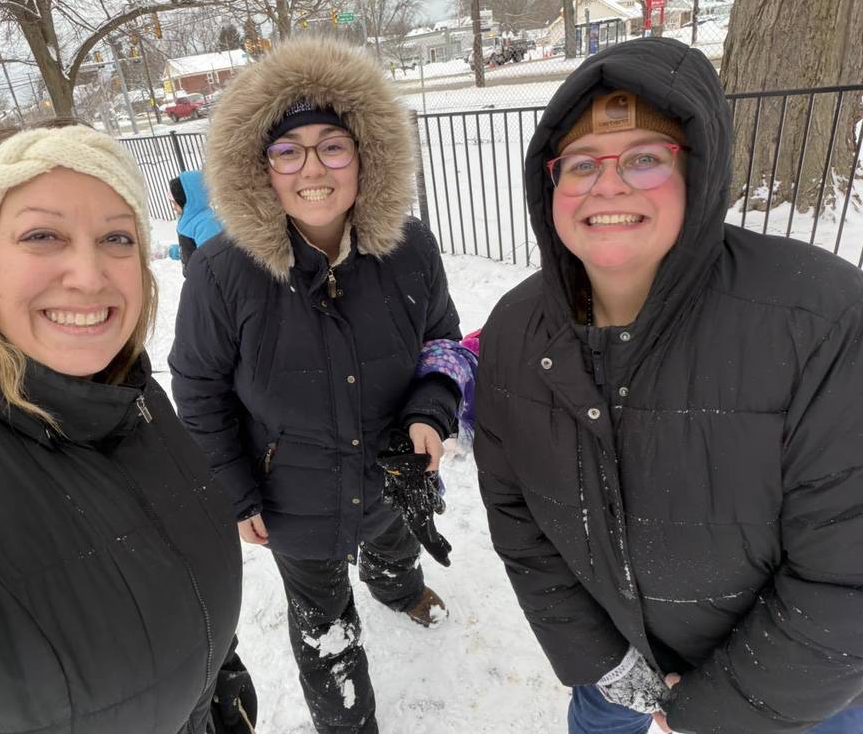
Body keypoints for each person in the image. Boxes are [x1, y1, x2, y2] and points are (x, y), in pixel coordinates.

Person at [475, 37, 863, 734]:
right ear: (550, 183)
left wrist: (706, 712)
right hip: (615, 675)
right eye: (582, 163)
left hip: (795, 699)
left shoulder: (821, 321)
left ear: (700, 171)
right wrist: (603, 662)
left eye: (646, 158)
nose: (608, 183)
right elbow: (519, 519)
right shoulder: (513, 332)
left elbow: (847, 576)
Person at [0, 120, 242, 733]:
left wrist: (215, 678)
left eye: (117, 237)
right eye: (43, 234)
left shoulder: (120, 385)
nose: (90, 274)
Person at [169, 37, 462, 734]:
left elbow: (445, 343)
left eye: (333, 146)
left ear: (366, 156)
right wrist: (236, 491)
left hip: (393, 472)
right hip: (293, 497)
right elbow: (198, 386)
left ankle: (398, 587)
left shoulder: (411, 246)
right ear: (260, 168)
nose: (312, 168)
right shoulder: (221, 272)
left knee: (394, 542)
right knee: (325, 627)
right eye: (287, 151)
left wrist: (431, 411)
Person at [169, 170, 223, 274]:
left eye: (175, 203)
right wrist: (176, 251)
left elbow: (214, 260)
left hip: (207, 281)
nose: (173, 208)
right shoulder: (190, 221)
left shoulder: (206, 224)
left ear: (186, 201)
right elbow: (192, 248)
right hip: (196, 278)